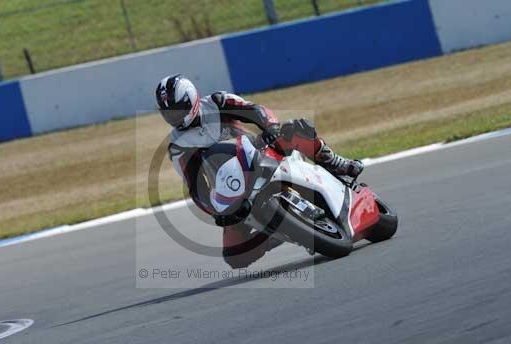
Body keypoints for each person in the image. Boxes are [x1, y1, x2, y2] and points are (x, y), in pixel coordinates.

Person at [155, 74, 363, 268]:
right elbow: (196, 189)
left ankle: (336, 163)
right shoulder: (177, 146)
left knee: (296, 129)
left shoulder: (218, 102)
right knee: (235, 256)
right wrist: (219, 212)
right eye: (168, 113)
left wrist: (270, 127)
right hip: (235, 188)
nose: (174, 117)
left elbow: (255, 110)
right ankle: (277, 234)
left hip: (259, 152)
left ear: (192, 100)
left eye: (177, 110)